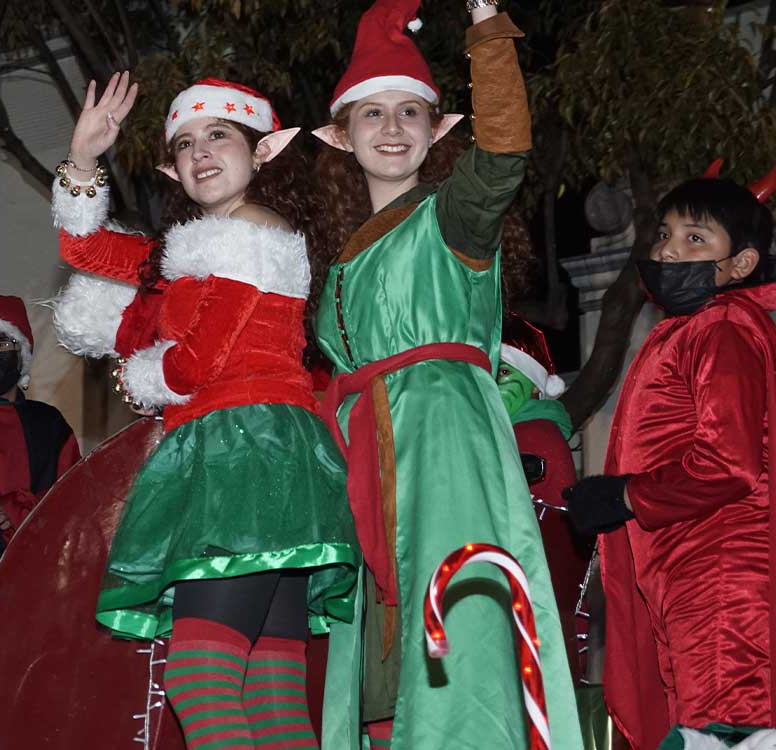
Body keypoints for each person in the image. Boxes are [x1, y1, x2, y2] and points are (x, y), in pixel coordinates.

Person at [50, 73, 360, 749]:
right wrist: (83, 157)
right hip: (257, 454)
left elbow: (198, 363)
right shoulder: (195, 248)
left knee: (199, 677)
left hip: (241, 451)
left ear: (264, 150)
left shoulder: (249, 235)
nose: (201, 152)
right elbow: (84, 249)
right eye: (185, 143)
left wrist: (140, 377)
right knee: (272, 696)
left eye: (219, 135)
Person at [308, 0, 582, 746]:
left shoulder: (453, 215)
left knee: (455, 626)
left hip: (444, 444)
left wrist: (489, 32)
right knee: (387, 665)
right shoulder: (336, 262)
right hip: (372, 454)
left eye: (410, 112)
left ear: (439, 131)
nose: (392, 128)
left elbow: (502, 160)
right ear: (340, 135)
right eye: (372, 114)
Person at [564, 173, 776, 749]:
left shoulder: (722, 327)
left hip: (722, 575)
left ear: (741, 263)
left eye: (695, 238)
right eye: (665, 233)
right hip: (690, 570)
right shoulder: (695, 327)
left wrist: (624, 496)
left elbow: (729, 464)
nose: (668, 250)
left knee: (730, 730)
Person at [0, 294, 80, 675]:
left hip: (30, 587)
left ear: (21, 353)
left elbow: (77, 509)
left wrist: (17, 508)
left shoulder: (48, 425)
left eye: (1, 343)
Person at [499, 312, 592, 683]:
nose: (491, 382)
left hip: (530, 617)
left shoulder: (531, 435)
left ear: (537, 386)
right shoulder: (530, 432)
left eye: (504, 373)